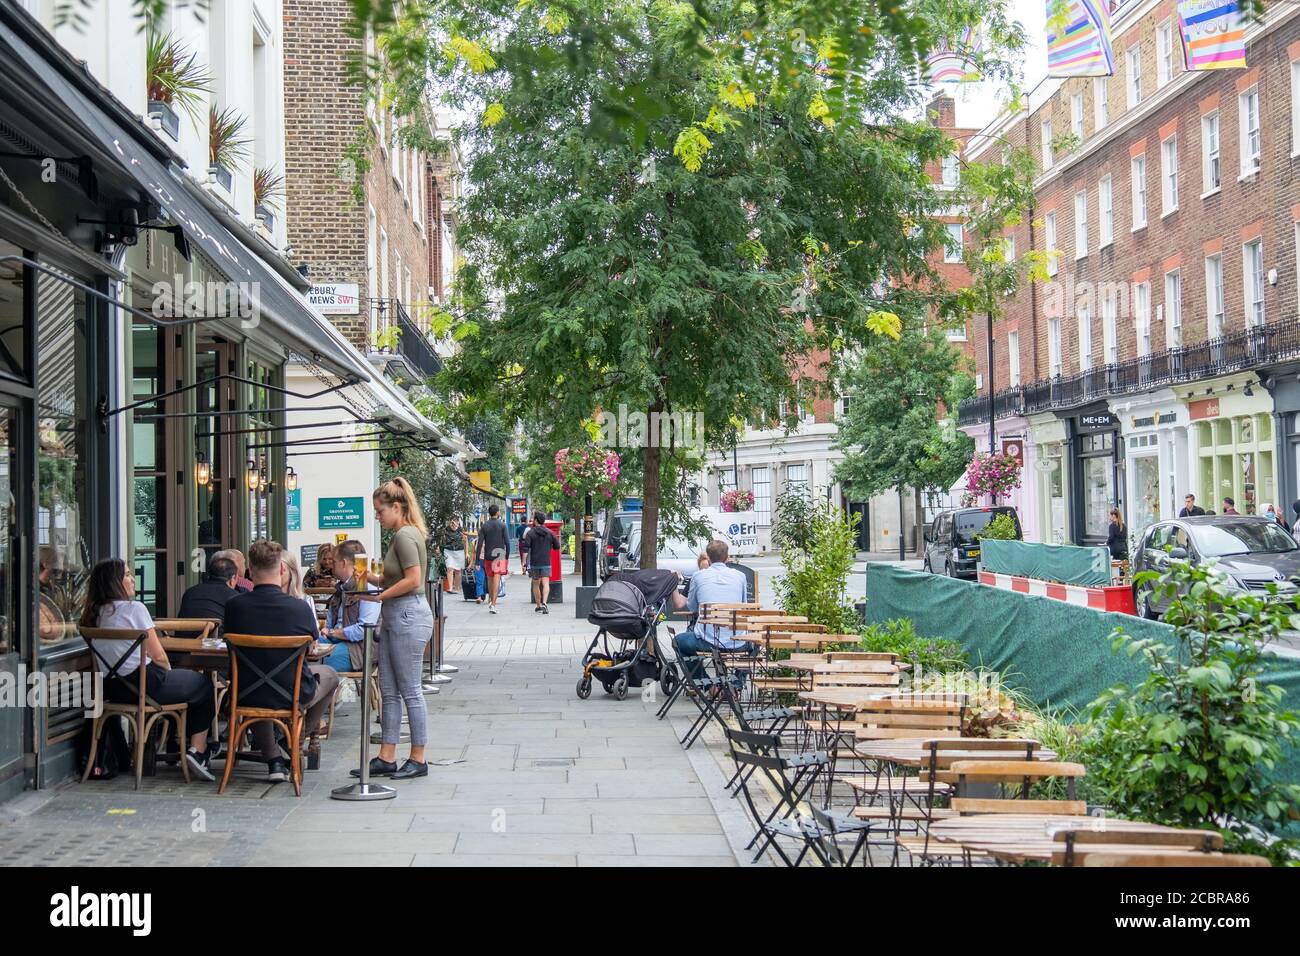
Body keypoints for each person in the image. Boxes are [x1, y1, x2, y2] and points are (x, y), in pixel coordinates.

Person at [79, 558, 217, 782]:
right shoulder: (134, 609)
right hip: (146, 685)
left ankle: (179, 742)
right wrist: (168, 673)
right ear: (114, 582)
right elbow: (159, 655)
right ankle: (197, 751)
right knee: (202, 685)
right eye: (126, 574)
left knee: (185, 689)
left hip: (112, 689)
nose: (132, 578)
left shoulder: (94, 614)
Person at [223, 540, 340, 784]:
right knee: (329, 674)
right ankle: (293, 740)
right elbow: (311, 648)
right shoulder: (298, 609)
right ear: (282, 570)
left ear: (250, 572)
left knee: (260, 682)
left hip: (244, 692)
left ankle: (274, 757)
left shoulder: (234, 607)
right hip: (291, 693)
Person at [350, 476, 434, 781]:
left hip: (407, 615)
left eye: (379, 511)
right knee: (388, 688)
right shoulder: (402, 534)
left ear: (396, 507)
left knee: (410, 689)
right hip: (397, 614)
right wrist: (368, 580)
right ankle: (387, 755)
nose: (377, 516)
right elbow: (392, 577)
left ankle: (418, 757)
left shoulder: (404, 536)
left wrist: (377, 596)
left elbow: (413, 580)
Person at [671, 539, 751, 681]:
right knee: (756, 644)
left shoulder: (698, 576)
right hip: (737, 641)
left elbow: (693, 607)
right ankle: (737, 684)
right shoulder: (740, 576)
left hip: (708, 641)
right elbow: (743, 606)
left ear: (708, 557)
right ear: (727, 557)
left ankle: (707, 683)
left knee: (678, 642)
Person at [320, 540, 381, 672]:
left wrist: (332, 632)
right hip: (335, 641)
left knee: (320, 661)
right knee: (302, 651)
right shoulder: (340, 589)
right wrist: (327, 632)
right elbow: (329, 625)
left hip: (357, 650)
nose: (330, 565)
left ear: (343, 563)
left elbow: (363, 630)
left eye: (334, 561)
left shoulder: (367, 587)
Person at [176, 554, 240, 627]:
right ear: (233, 578)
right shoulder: (234, 596)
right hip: (215, 637)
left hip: (183, 638)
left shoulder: (190, 592)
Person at [475, 503, 510, 615]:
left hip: (488, 556)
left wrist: (476, 560)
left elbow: (479, 544)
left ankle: (491, 600)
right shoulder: (503, 525)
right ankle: (493, 604)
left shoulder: (484, 526)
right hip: (500, 555)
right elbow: (507, 543)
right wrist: (507, 556)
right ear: (497, 513)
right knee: (496, 579)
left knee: (490, 579)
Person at [522, 511, 560, 613]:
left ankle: (538, 605)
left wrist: (524, 563)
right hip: (546, 561)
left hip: (534, 562)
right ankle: (545, 603)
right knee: (546, 583)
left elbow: (525, 549)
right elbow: (557, 546)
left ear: (535, 520)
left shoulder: (530, 533)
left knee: (535, 584)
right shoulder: (550, 532)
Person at [281, 551, 320, 640]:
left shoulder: (306, 599)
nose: (277, 572)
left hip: (299, 651)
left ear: (292, 572)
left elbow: (315, 633)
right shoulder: (269, 600)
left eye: (282, 569)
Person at [443, 516, 469, 594]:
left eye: (455, 522)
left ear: (458, 523)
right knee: (449, 568)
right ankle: (450, 588)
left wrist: (467, 553)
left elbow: (465, 541)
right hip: (448, 551)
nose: (453, 524)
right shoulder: (445, 531)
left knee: (458, 570)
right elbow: (441, 539)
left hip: (459, 551)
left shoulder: (461, 531)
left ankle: (457, 587)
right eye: (452, 522)